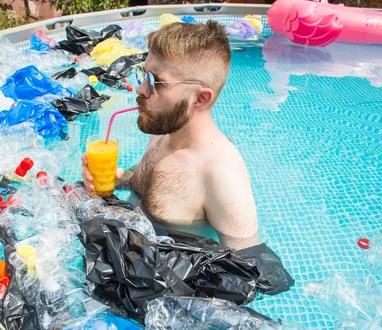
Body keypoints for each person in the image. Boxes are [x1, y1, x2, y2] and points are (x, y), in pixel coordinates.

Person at [81, 21, 259, 250]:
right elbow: (146, 178)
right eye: (144, 75)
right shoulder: (164, 129)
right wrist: (113, 180)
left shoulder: (222, 176)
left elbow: (249, 271)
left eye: (155, 82)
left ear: (200, 98)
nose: (141, 90)